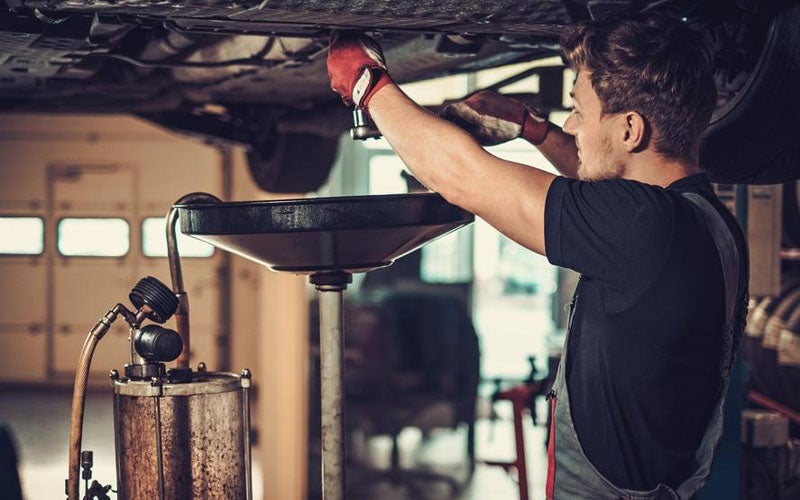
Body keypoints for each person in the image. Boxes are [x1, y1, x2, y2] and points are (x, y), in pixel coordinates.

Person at [327, 12, 749, 500]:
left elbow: (463, 176)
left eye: (580, 112)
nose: (573, 124)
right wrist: (535, 130)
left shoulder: (643, 227)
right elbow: (604, 190)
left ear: (631, 129)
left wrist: (368, 85)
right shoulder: (703, 219)